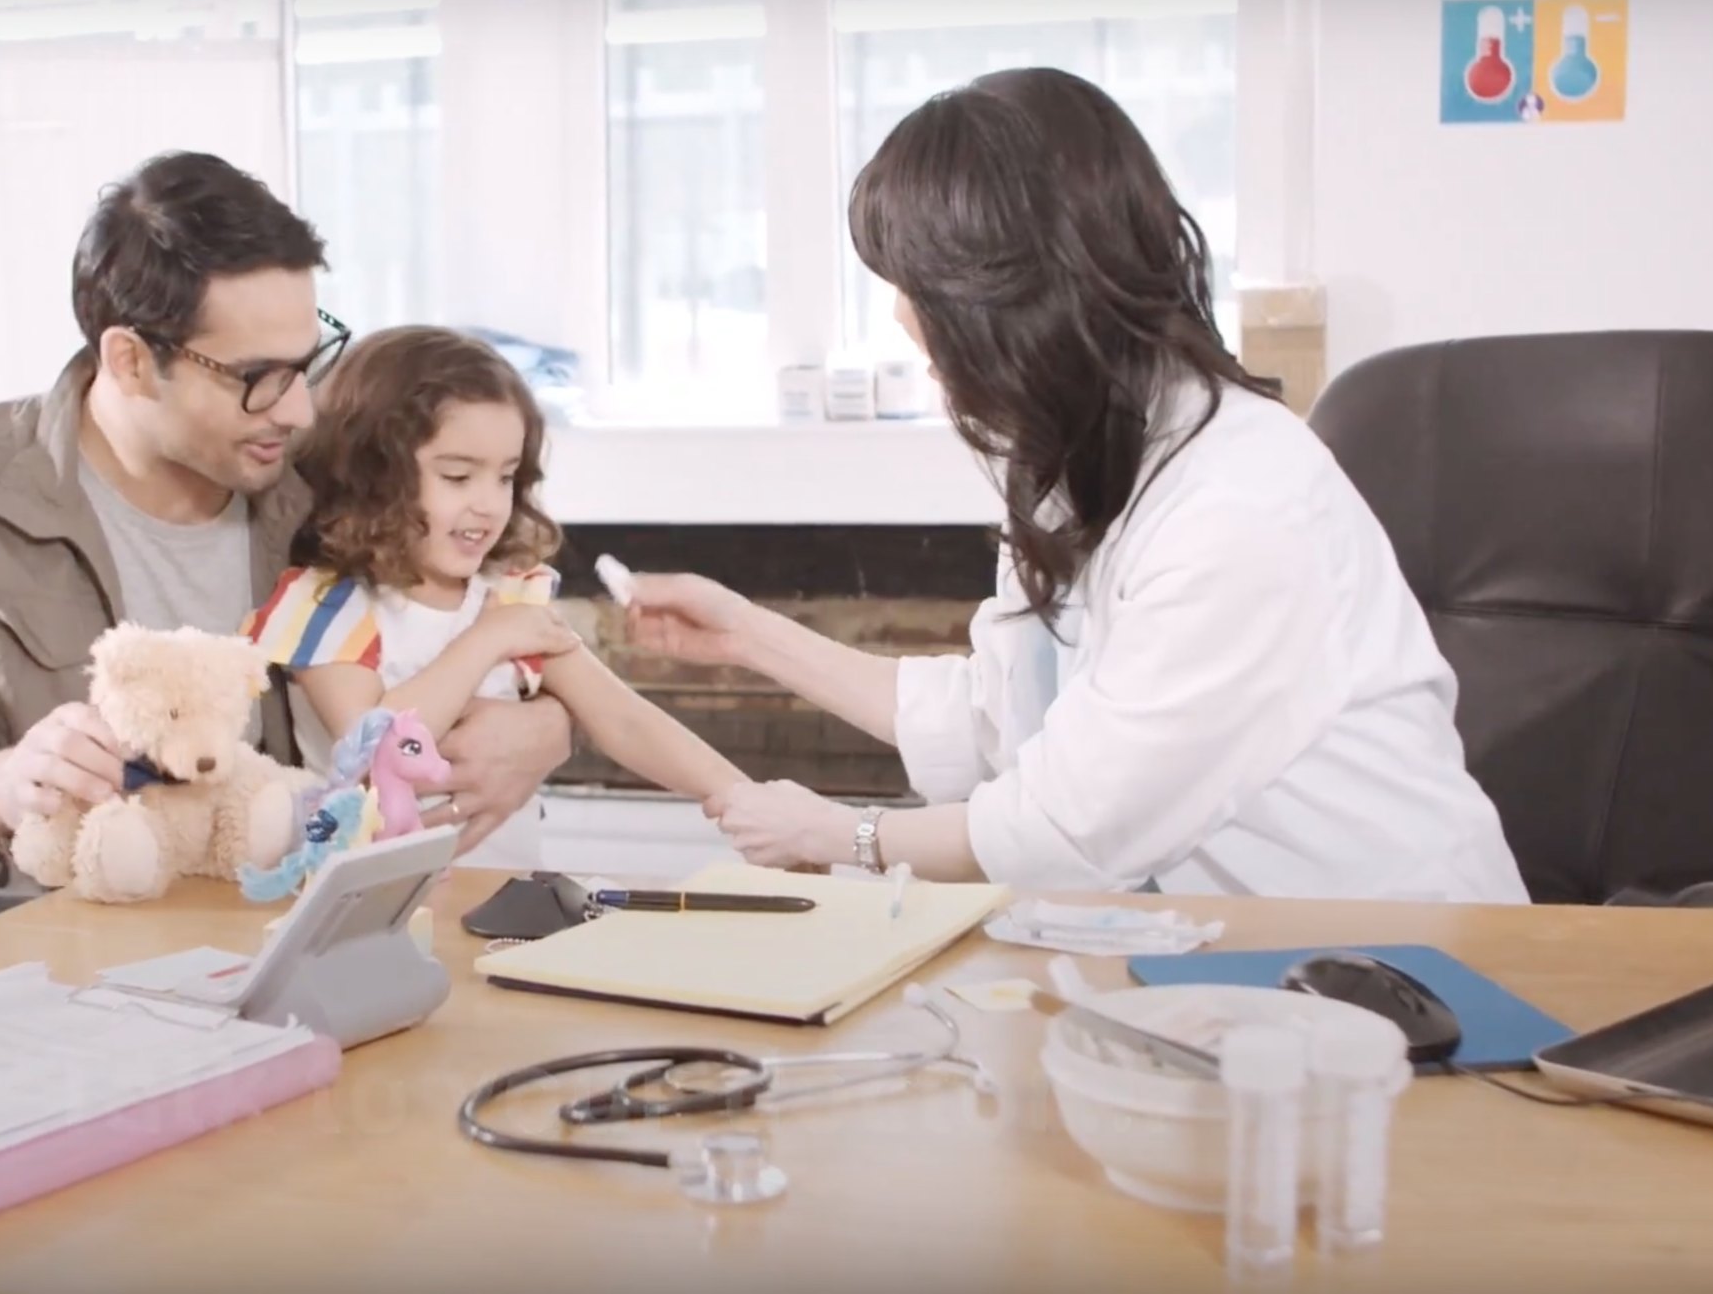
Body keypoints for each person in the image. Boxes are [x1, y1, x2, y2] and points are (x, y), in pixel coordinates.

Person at [622, 68, 1531, 904]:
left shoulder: (1239, 508)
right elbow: (999, 718)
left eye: (917, 290)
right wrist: (746, 634)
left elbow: (1066, 827)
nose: (902, 318)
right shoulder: (1078, 455)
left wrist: (844, 835)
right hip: (1220, 956)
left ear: (1013, 298)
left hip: (1402, 963)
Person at [0, 152, 574, 974]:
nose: (298, 408)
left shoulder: (327, 479)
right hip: (23, 954)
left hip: (271, 939)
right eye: (257, 377)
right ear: (130, 360)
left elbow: (483, 610)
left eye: (308, 360)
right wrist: (3, 783)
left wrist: (549, 728)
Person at [242, 326, 748, 870]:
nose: (488, 504)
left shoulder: (511, 595)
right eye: (458, 476)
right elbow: (369, 754)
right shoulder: (327, 605)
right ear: (371, 476)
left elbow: (622, 719)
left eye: (505, 478)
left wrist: (747, 801)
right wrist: (485, 642)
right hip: (368, 903)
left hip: (507, 894)